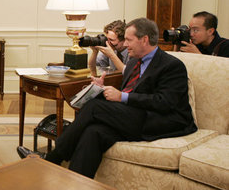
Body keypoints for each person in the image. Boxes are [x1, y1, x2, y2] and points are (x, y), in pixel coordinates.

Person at [17, 18, 197, 179]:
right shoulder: (134, 62)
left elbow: (164, 102)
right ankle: (73, 187)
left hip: (163, 120)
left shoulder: (172, 65)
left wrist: (122, 96)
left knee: (95, 107)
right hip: (137, 115)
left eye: (129, 40)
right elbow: (132, 89)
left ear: (144, 39)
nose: (125, 45)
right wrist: (102, 88)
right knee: (93, 132)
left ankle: (52, 159)